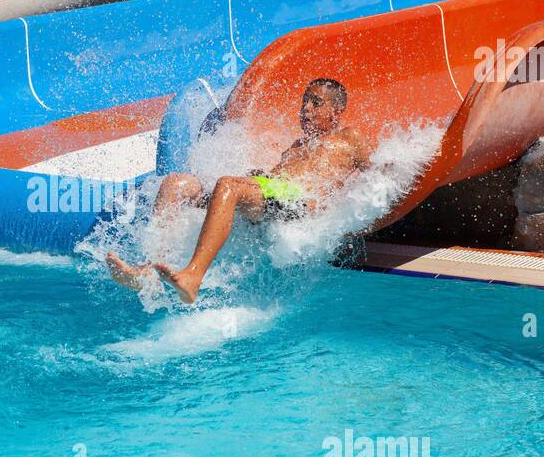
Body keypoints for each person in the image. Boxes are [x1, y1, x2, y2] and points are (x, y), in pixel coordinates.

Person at [107, 78, 371, 303]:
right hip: (271, 194)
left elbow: (378, 171)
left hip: (298, 203)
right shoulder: (295, 146)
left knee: (227, 185)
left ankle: (193, 276)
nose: (306, 109)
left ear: (336, 112)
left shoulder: (350, 138)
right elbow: (275, 183)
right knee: (177, 184)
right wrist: (260, 177)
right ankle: (148, 269)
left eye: (316, 103)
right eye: (304, 102)